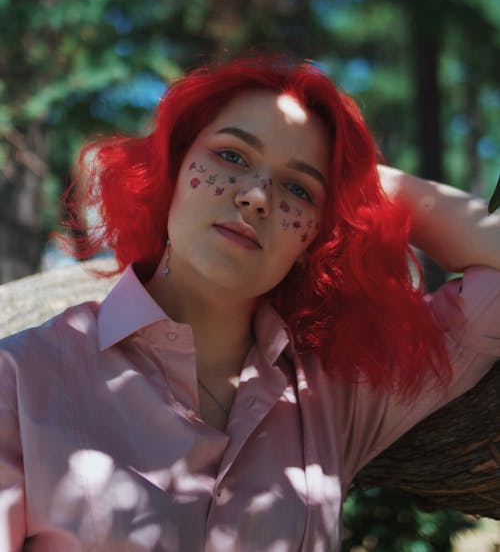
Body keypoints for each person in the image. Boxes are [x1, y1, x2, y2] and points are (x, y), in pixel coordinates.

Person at [0, 55, 499, 552]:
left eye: (299, 189)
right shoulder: (21, 379)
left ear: (314, 239)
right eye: (233, 156)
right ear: (172, 167)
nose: (258, 197)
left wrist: (367, 188)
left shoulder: (333, 397)